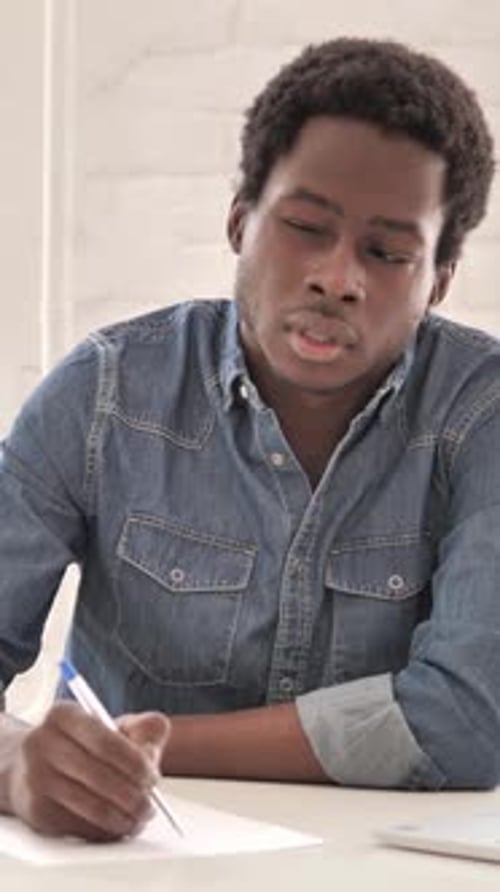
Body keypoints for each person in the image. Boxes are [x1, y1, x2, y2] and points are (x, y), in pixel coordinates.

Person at [1, 35, 499, 842]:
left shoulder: (483, 414)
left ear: (437, 281)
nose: (339, 277)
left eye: (389, 252)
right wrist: (19, 763)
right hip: (121, 872)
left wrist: (133, 747)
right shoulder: (102, 395)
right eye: (306, 226)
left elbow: (468, 720)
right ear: (240, 222)